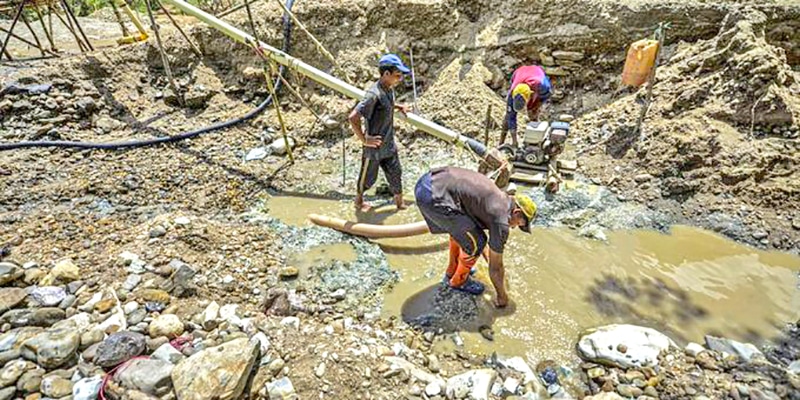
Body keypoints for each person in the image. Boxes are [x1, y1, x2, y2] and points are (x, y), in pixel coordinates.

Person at [414, 166, 537, 308]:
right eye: (519, 224)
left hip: (427, 183)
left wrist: (489, 257)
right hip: (435, 198)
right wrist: (502, 296)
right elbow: (496, 268)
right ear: (516, 212)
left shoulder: (498, 198)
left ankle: (452, 271)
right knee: (476, 243)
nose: (515, 227)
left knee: (465, 233)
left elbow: (475, 233)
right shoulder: (501, 220)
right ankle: (458, 281)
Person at [349, 53, 412, 212]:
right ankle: (358, 202)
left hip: (389, 145)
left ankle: (399, 204)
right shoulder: (373, 94)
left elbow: (387, 105)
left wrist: (399, 107)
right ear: (386, 74)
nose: (400, 79)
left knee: (396, 174)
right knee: (368, 178)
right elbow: (353, 117)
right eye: (397, 76)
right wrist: (364, 140)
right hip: (374, 147)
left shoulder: (388, 90)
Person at [501, 65, 552, 147]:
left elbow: (547, 95)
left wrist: (536, 107)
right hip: (518, 72)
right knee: (509, 115)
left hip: (536, 72)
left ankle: (535, 140)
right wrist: (514, 141)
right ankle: (501, 143)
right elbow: (511, 117)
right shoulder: (512, 93)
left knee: (533, 112)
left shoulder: (543, 86)